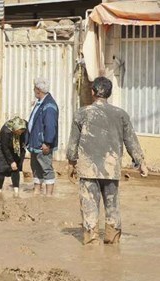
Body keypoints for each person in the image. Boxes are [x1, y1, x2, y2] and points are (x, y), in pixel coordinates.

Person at [67, 76, 147, 245]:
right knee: (112, 207)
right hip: (111, 168)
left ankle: (91, 243)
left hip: (88, 169)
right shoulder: (121, 114)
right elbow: (131, 140)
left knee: (89, 207)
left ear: (93, 92)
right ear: (109, 94)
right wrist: (141, 163)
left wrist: (71, 163)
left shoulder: (81, 113)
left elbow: (73, 144)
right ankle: (112, 240)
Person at [27, 77, 59, 196]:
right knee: (36, 168)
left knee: (46, 168)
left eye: (34, 88)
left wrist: (48, 142)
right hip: (35, 142)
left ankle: (49, 195)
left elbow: (50, 126)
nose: (33, 90)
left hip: (43, 144)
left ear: (38, 90)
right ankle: (36, 191)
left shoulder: (49, 105)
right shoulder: (40, 103)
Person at [0, 116, 27, 195]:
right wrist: (11, 161)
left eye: (22, 132)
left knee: (16, 168)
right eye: (18, 132)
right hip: (1, 147)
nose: (20, 133)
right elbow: (5, 148)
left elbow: (23, 142)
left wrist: (16, 160)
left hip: (15, 146)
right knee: (2, 168)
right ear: (14, 129)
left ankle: (16, 190)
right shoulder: (5, 131)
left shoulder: (23, 127)